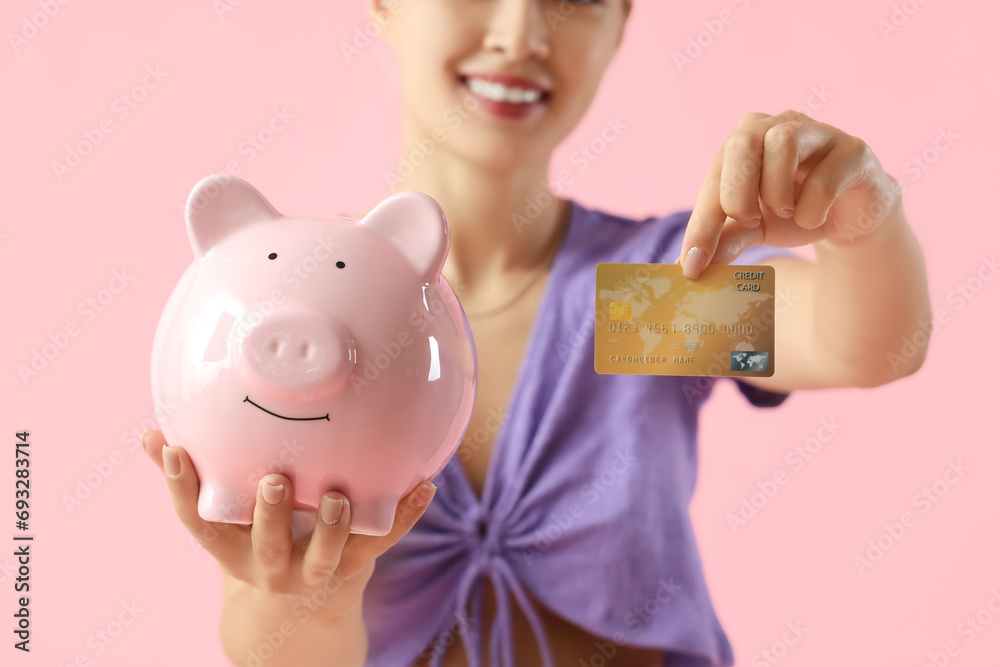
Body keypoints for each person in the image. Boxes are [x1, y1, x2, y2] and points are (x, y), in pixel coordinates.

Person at [142, 0, 932, 665]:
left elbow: (864, 344)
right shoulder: (285, 294)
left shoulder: (642, 299)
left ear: (621, 23)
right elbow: (266, 641)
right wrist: (312, 597)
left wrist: (864, 220)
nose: (521, 35)